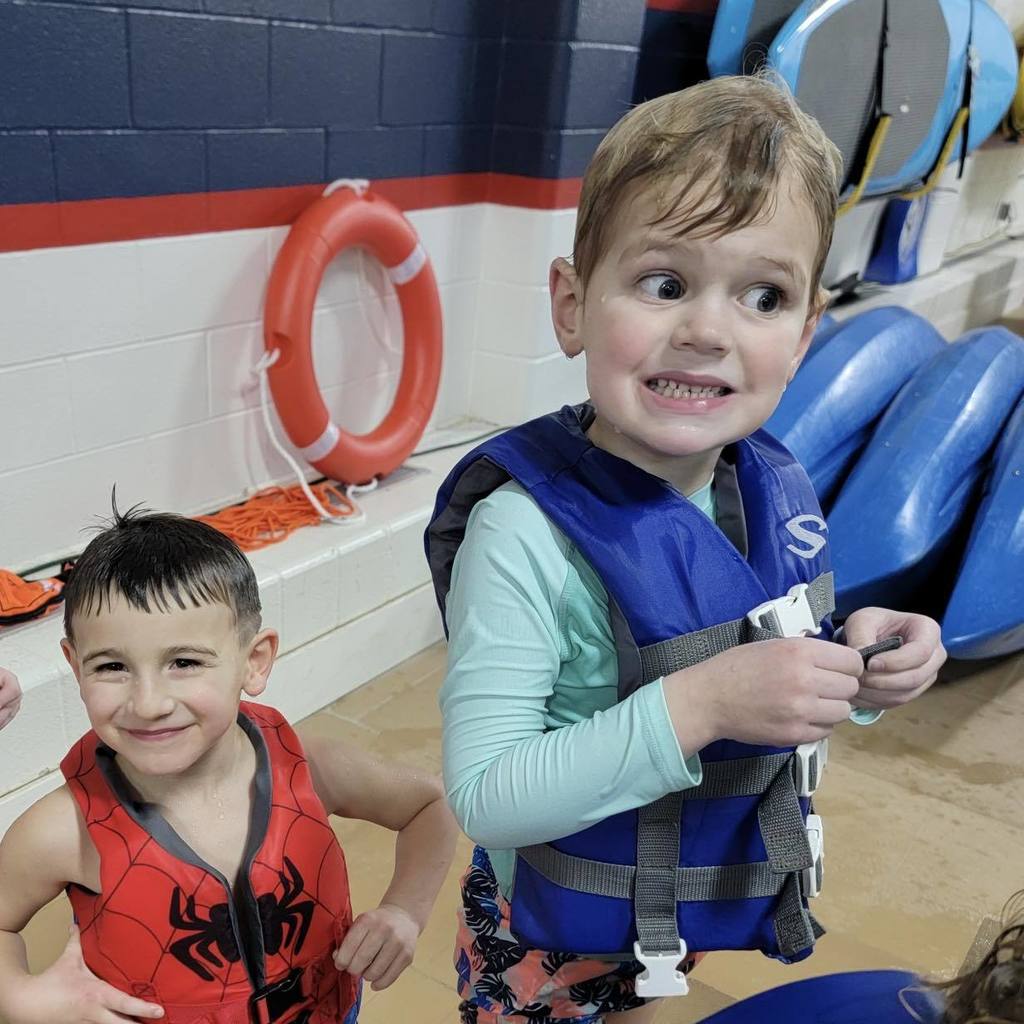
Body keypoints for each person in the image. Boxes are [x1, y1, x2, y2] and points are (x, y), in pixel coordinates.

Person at [425, 75, 947, 1024]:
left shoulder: (763, 482)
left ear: (803, 336)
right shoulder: (523, 535)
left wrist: (862, 660)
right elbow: (488, 797)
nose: (708, 330)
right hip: (547, 932)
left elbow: (776, 636)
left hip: (671, 906)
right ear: (573, 304)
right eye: (664, 284)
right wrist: (703, 702)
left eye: (763, 295)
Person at [0, 507, 457, 1024]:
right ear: (74, 665)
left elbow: (429, 803)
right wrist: (24, 1000)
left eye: (185, 662)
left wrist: (405, 910)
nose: (148, 702)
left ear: (254, 661)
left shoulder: (311, 767)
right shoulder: (64, 829)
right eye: (112, 666)